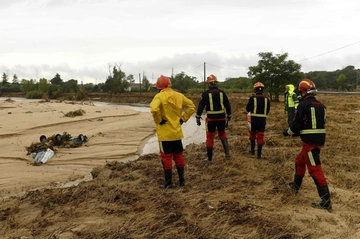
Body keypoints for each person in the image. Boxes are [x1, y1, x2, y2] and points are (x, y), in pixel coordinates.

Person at [283, 79, 332, 210]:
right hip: (317, 140)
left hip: (310, 143)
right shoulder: (321, 105)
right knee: (299, 161)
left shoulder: (303, 105)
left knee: (315, 170)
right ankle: (295, 187)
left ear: (303, 91)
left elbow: (296, 125)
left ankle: (326, 202)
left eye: (301, 92)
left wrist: (287, 132)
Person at [150, 75, 195, 189]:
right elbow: (191, 106)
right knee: (178, 156)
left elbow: (154, 109)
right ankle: (182, 182)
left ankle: (169, 183)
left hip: (165, 135)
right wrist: (183, 119)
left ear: (158, 86)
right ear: (170, 84)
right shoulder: (179, 95)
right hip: (177, 133)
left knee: (166, 158)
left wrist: (159, 120)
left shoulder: (159, 97)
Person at [195, 74, 232, 162]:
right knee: (222, 134)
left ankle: (209, 158)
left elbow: (201, 105)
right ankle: (227, 154)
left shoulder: (206, 94)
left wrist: (197, 116)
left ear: (209, 83)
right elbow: (227, 105)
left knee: (210, 137)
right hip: (222, 118)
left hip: (211, 119)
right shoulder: (222, 93)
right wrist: (229, 116)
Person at [246, 82, 270, 159]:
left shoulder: (252, 98)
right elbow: (267, 111)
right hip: (262, 120)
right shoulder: (267, 99)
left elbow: (247, 109)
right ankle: (259, 154)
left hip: (253, 120)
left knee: (252, 134)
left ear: (255, 90)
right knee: (260, 136)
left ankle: (252, 150)